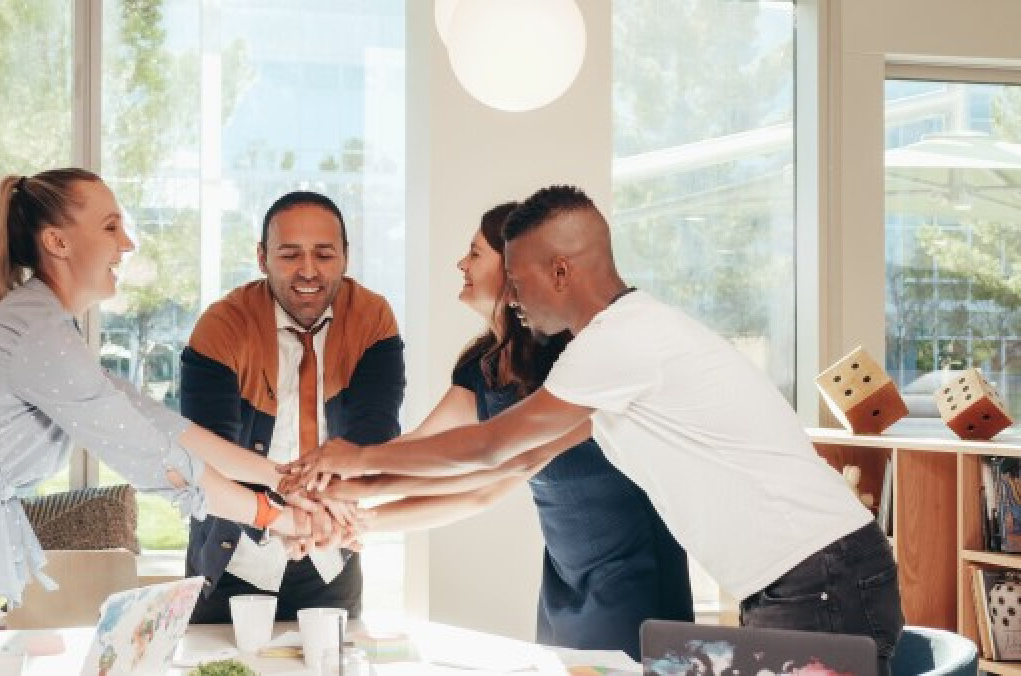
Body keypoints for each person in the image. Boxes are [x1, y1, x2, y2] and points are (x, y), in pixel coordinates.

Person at [289, 185, 904, 675]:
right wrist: (353, 494)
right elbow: (505, 462)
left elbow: (496, 444)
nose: (516, 297)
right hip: (798, 578)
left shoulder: (621, 343)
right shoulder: (607, 352)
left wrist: (358, 455)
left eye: (520, 279)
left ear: (561, 271)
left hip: (820, 576)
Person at [0, 168, 338, 676]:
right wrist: (283, 519)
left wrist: (282, 480)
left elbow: (163, 426)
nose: (128, 243)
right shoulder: (37, 332)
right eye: (111, 226)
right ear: (57, 242)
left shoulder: (46, 328)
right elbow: (156, 458)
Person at [325, 202, 693, 654]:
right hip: (564, 573)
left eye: (475, 253)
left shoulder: (575, 358)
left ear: (514, 265)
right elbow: (428, 452)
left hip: (630, 569)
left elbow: (496, 471)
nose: (461, 264)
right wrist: (346, 502)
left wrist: (348, 488)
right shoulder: (482, 367)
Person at [179, 190, 405, 623]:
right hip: (235, 553)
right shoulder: (222, 325)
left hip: (329, 551)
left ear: (345, 257)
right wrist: (288, 512)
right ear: (263, 258)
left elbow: (374, 432)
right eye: (290, 255)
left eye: (323, 254)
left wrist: (322, 512)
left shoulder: (372, 318)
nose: (308, 271)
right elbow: (210, 450)